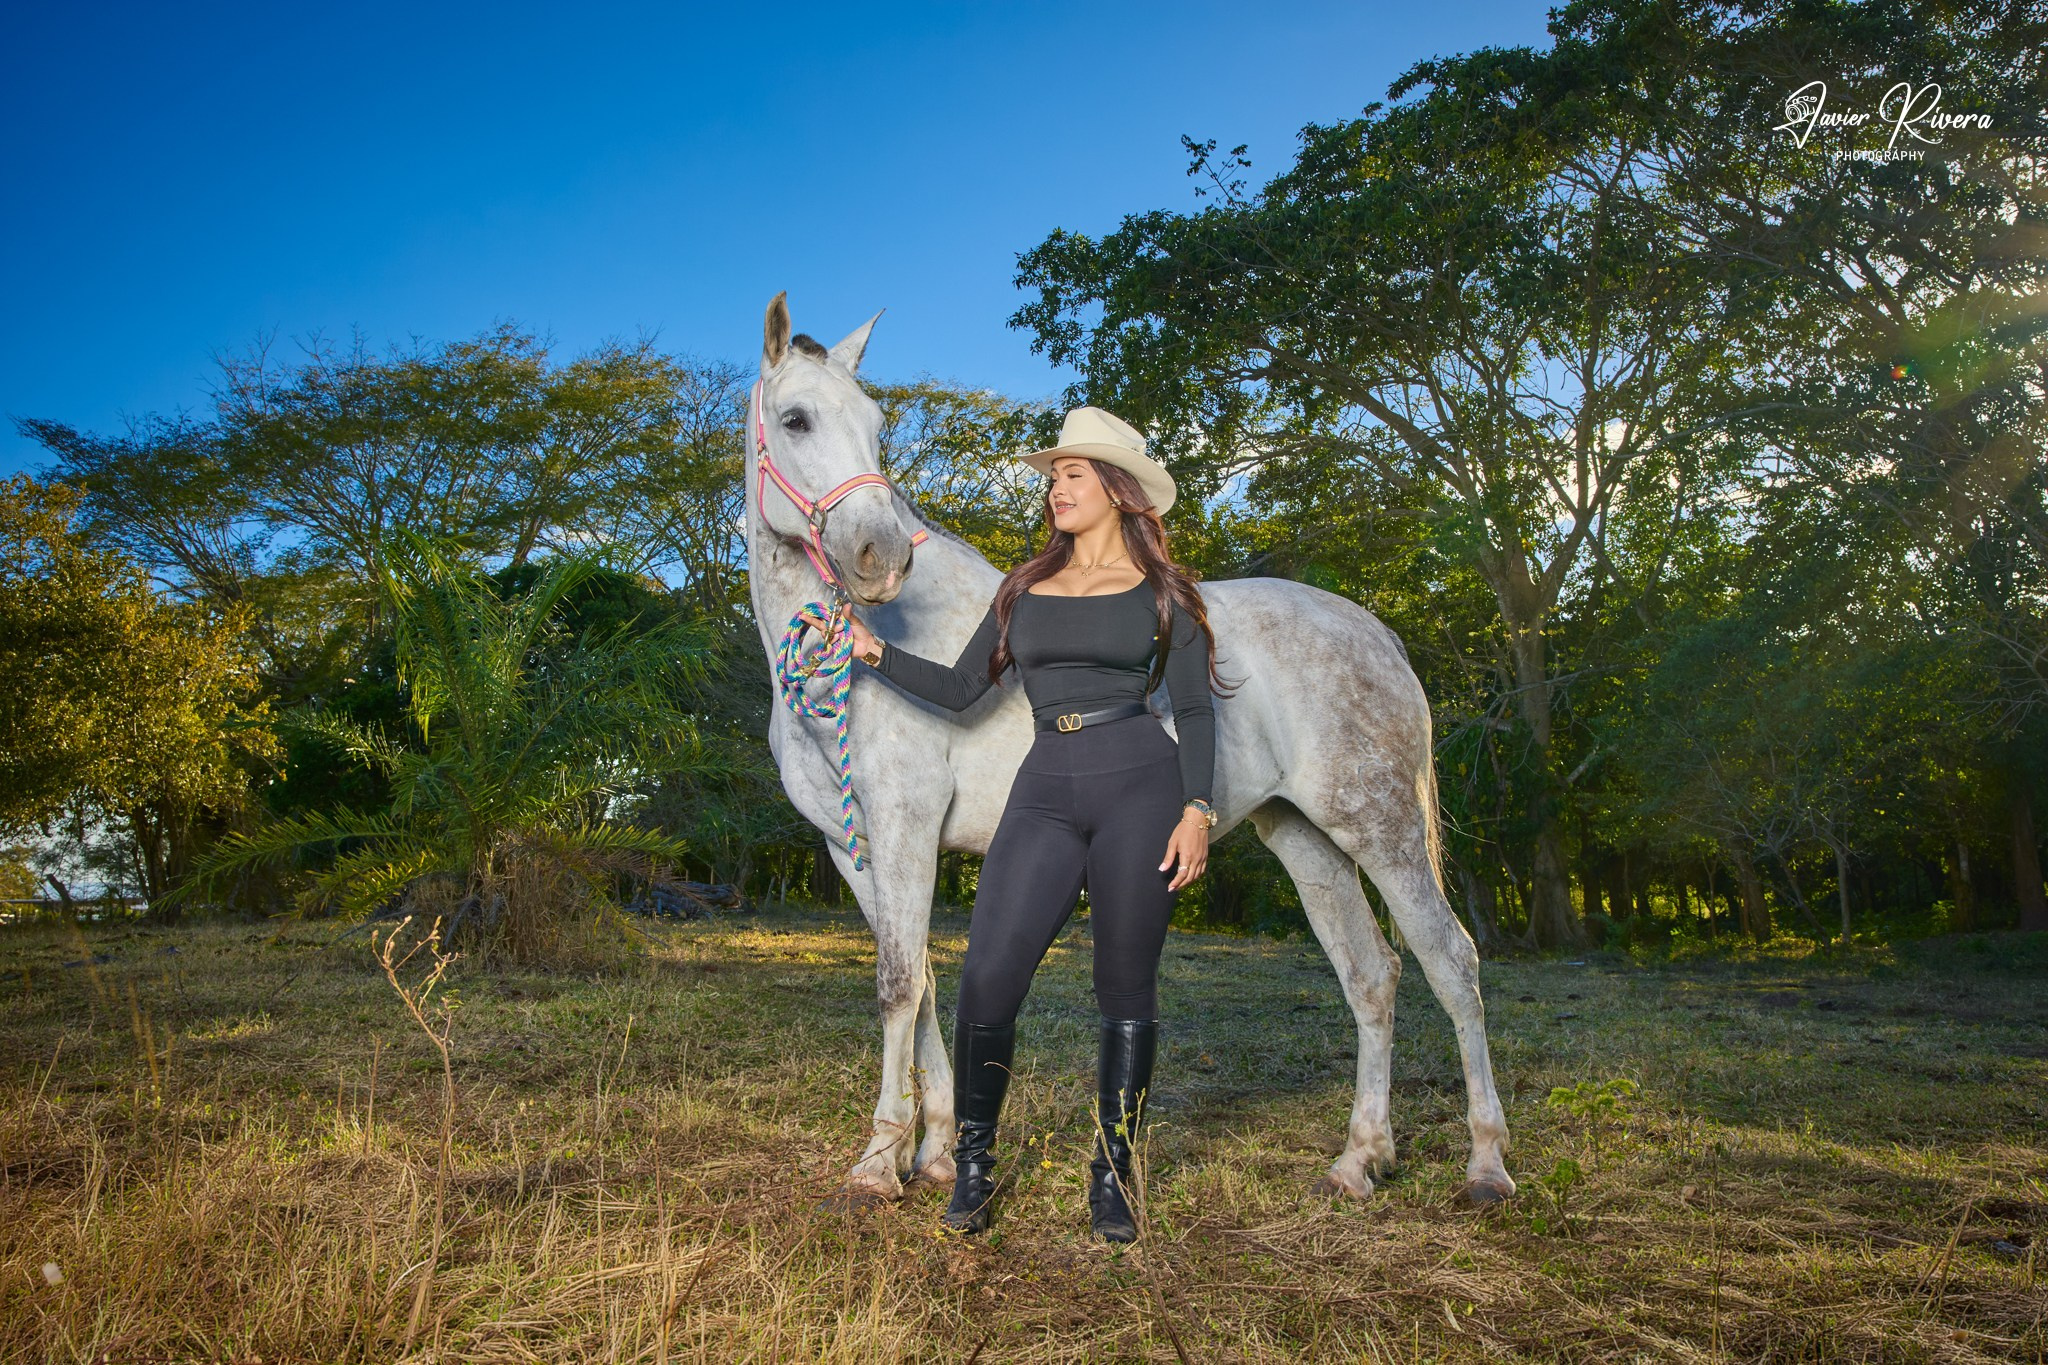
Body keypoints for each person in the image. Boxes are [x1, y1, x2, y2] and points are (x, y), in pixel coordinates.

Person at [802, 406, 1232, 1242]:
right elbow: (965, 690)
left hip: (1141, 785)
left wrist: (1198, 808)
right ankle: (972, 1163)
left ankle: (1113, 1174)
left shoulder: (1163, 595)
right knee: (987, 978)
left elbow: (1194, 711)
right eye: (1053, 477)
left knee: (1125, 989)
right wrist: (873, 650)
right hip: (1043, 789)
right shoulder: (1024, 589)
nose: (1056, 488)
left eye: (1072, 473)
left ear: (1116, 488)